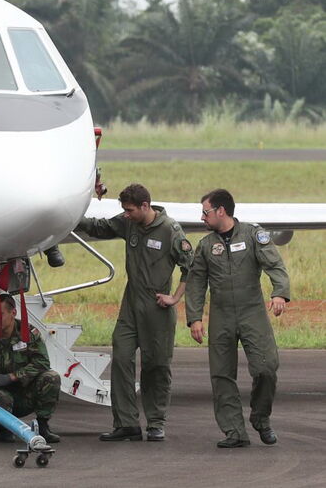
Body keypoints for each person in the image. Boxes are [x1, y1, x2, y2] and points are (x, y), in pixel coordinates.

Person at [77, 183, 193, 442]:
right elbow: (100, 227)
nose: (125, 214)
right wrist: (70, 216)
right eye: (124, 210)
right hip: (131, 305)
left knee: (156, 365)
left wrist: (175, 298)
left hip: (157, 307)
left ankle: (155, 422)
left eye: (129, 210)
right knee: (121, 358)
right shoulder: (128, 222)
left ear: (145, 206)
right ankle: (126, 422)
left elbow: (190, 266)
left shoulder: (170, 230)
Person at [186, 188, 290, 448]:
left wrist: (280, 294)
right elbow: (196, 282)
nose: (202, 217)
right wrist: (194, 318)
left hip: (252, 312)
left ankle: (261, 417)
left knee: (266, 367)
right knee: (221, 375)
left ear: (221, 211)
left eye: (205, 212)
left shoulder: (254, 235)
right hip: (221, 316)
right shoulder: (206, 245)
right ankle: (234, 431)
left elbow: (274, 265)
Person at [0, 292, 61, 443]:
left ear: (13, 312)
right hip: (0, 394)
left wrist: (12, 377)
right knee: (1, 397)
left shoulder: (28, 333)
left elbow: (42, 362)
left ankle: (43, 426)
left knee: (51, 377)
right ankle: (4, 430)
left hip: (25, 391)